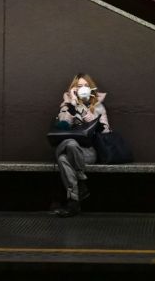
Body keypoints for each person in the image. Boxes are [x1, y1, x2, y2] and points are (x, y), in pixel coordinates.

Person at [53, 73, 111, 217]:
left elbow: (105, 130)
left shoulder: (98, 107)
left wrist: (80, 107)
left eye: (86, 86)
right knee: (71, 143)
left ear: (91, 89)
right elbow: (62, 127)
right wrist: (71, 105)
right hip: (69, 148)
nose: (83, 88)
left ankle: (73, 202)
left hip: (87, 152)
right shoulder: (66, 106)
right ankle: (81, 182)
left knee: (62, 159)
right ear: (73, 89)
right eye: (79, 86)